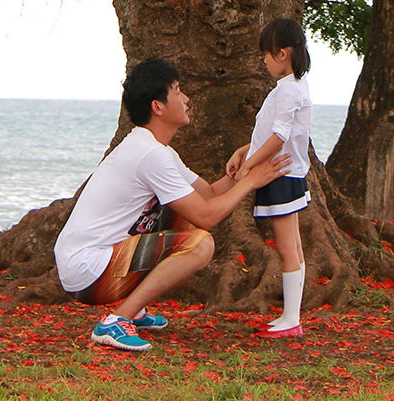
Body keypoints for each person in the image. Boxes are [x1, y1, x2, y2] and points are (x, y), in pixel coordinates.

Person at [54, 58, 291, 351]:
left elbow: (207, 195)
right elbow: (206, 217)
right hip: (88, 271)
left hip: (92, 263)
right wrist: (251, 182)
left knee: (184, 216)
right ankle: (116, 321)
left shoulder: (155, 149)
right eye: (178, 91)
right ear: (158, 107)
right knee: (201, 245)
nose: (186, 99)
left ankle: (133, 311)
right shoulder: (151, 155)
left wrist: (242, 169)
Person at [227, 17, 313, 340]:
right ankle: (291, 317)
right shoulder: (291, 86)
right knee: (294, 247)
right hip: (287, 173)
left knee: (288, 248)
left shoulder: (290, 90)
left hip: (281, 175)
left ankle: (291, 319)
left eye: (266, 53)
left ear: (282, 54)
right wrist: (243, 152)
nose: (263, 60)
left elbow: (279, 136)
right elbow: (269, 134)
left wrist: (249, 166)